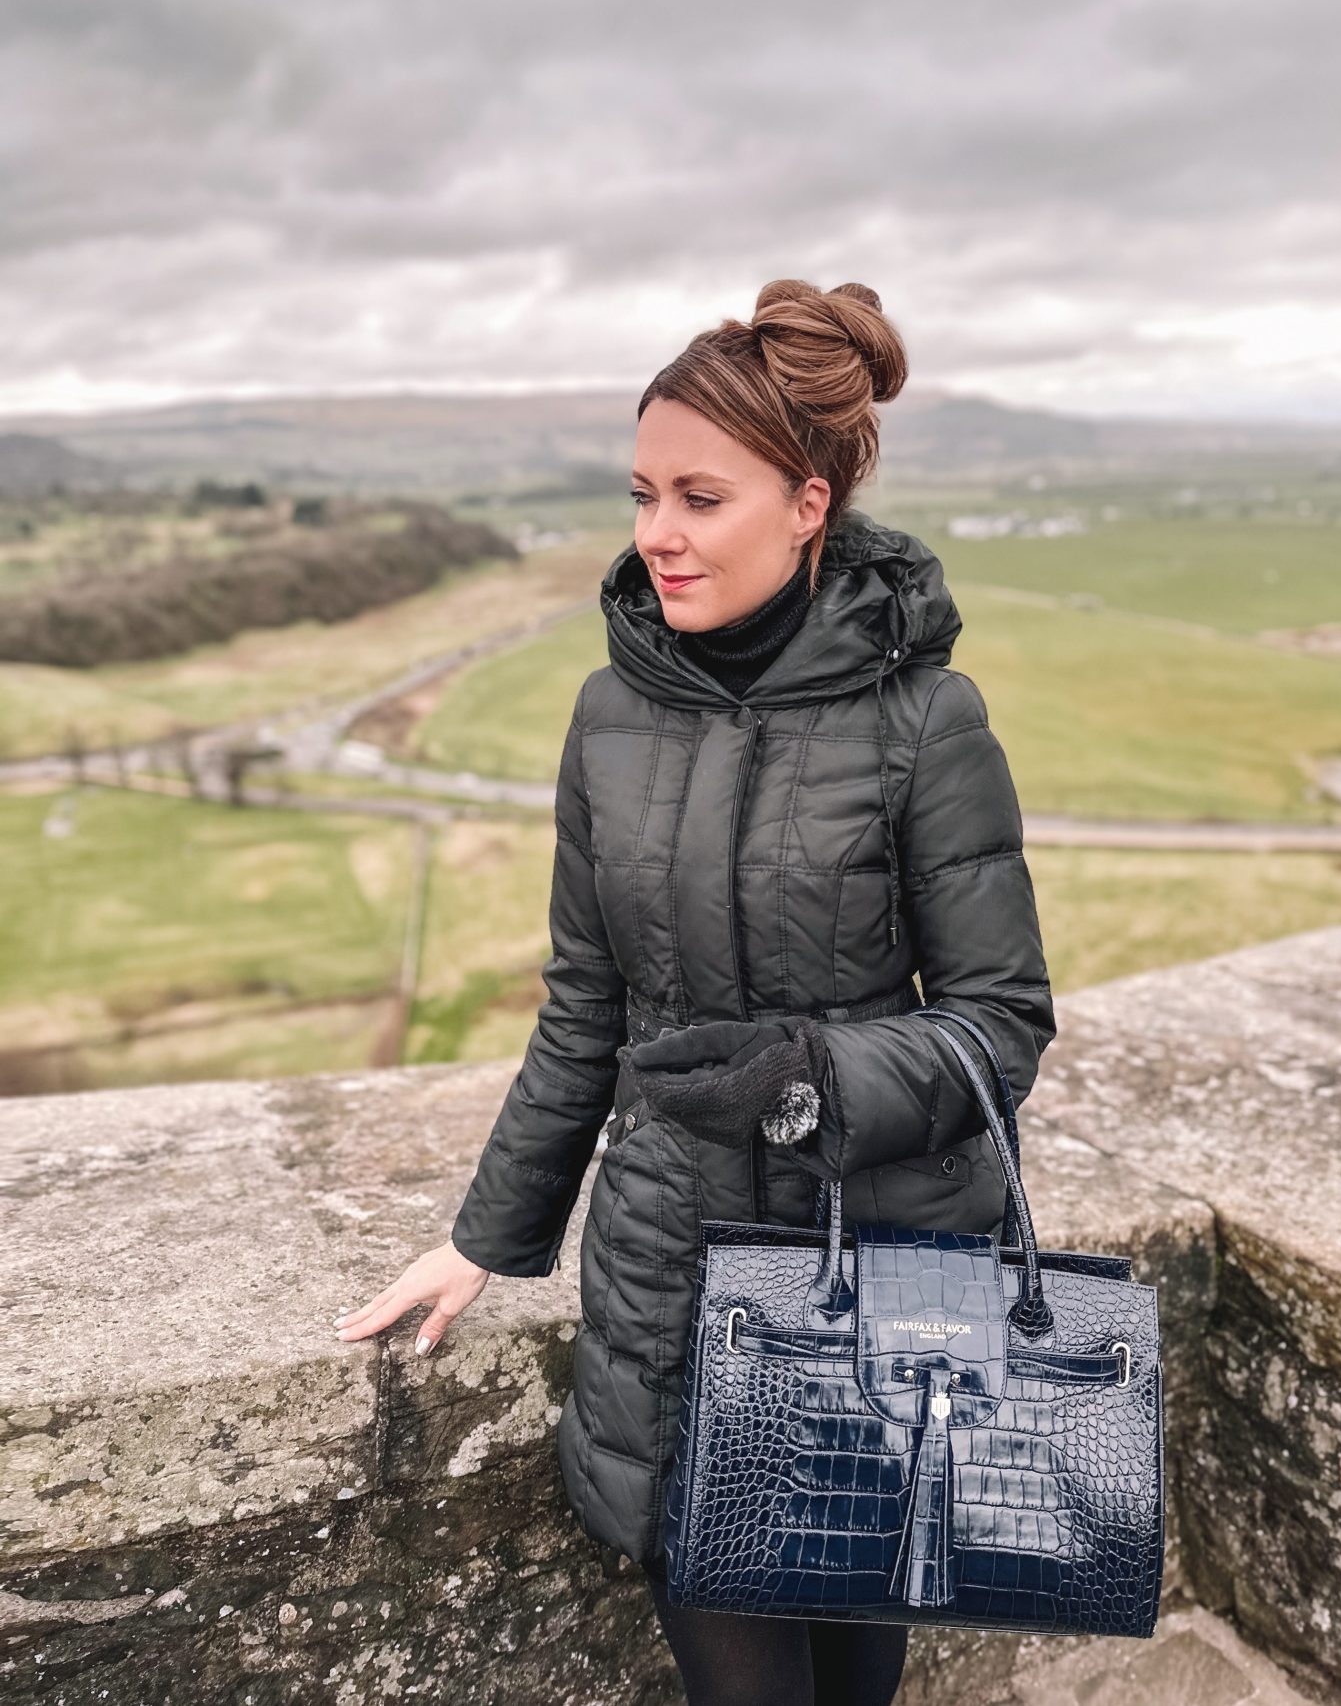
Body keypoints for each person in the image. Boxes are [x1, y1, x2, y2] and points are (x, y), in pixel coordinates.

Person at [337, 278, 1056, 1705]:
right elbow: (584, 1006)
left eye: (700, 497)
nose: (657, 532)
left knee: (858, 1686)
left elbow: (1002, 1018)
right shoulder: (608, 719)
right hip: (676, 1282)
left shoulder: (927, 722)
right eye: (641, 492)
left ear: (807, 503)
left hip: (887, 1280)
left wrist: (814, 1074)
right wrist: (487, 1236)